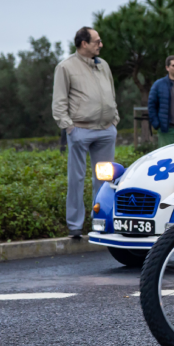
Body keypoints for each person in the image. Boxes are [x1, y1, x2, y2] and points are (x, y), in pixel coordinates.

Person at [53, 27, 119, 239]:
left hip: (106, 130)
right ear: (84, 43)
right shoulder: (66, 67)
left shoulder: (104, 65)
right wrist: (68, 126)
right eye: (97, 41)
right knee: (76, 179)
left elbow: (111, 92)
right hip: (80, 130)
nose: (101, 45)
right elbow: (59, 101)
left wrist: (114, 119)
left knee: (105, 181)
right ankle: (75, 227)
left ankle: (101, 223)